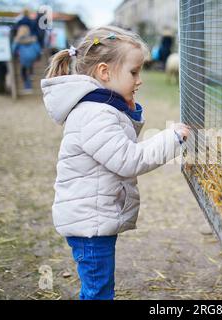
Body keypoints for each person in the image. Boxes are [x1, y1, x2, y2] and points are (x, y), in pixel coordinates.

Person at [41, 26, 190, 300]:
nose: (139, 80)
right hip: (89, 224)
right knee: (98, 292)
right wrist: (173, 139)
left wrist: (129, 109)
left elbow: (119, 145)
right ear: (104, 72)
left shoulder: (99, 108)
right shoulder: (94, 114)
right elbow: (128, 160)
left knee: (98, 288)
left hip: (92, 218)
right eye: (134, 72)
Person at [12, 25, 41, 91]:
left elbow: (14, 49)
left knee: (23, 70)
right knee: (30, 64)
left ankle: (27, 86)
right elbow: (37, 49)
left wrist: (15, 54)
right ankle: (31, 74)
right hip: (32, 56)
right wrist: (38, 56)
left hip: (23, 57)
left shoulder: (18, 40)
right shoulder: (33, 39)